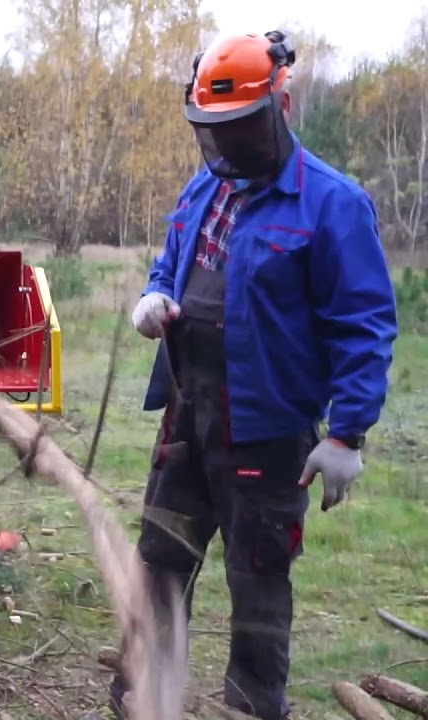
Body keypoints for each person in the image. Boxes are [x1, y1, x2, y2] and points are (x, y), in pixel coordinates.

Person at [99, 30, 399, 720]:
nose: (228, 149)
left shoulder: (332, 204)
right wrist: (153, 295)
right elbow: (170, 261)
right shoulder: (205, 186)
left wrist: (347, 436)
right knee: (162, 560)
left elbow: (365, 325)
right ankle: (148, 701)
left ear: (280, 107)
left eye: (240, 131)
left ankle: (253, 708)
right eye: (216, 133)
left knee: (257, 580)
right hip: (186, 413)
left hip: (267, 432)